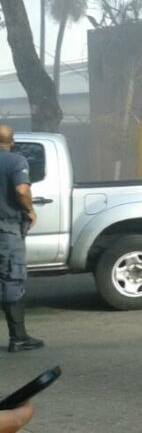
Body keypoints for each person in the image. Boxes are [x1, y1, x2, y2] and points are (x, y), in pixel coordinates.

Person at [0, 126, 43, 353]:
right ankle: (18, 338)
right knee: (11, 279)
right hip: (6, 229)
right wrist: (30, 210)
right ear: (12, 142)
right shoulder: (16, 161)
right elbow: (21, 191)